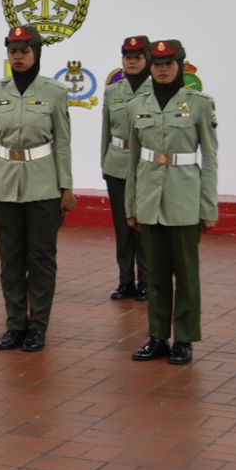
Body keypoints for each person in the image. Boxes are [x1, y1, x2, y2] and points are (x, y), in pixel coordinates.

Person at [0, 24, 75, 352]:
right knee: (10, 259)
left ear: (36, 53)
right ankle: (15, 324)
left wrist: (66, 187)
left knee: (41, 259)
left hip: (44, 186)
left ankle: (38, 326)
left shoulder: (54, 92)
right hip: (3, 184)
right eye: (12, 51)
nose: (17, 57)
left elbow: (63, 142)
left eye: (24, 51)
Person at [127, 39, 218, 366]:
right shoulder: (137, 104)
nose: (162, 69)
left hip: (184, 198)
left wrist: (207, 207)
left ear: (181, 65)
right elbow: (133, 161)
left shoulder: (199, 103)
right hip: (149, 198)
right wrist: (131, 207)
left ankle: (184, 338)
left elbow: (209, 158)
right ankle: (156, 336)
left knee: (186, 274)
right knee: (156, 274)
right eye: (156, 64)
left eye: (168, 64)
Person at [100, 35, 153, 301]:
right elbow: (105, 131)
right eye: (128, 57)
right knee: (122, 227)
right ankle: (125, 280)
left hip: (145, 163)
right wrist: (104, 163)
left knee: (142, 225)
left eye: (137, 57)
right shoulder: (112, 90)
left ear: (148, 59)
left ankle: (145, 279)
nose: (132, 62)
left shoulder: (156, 90)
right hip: (118, 163)